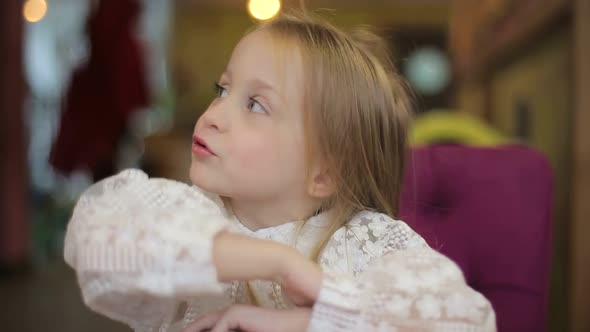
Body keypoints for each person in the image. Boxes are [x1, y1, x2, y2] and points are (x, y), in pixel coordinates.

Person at [64, 12, 496, 332]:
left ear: (323, 172)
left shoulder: (364, 243)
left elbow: (467, 320)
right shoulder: (188, 215)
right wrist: (278, 263)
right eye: (224, 90)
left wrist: (315, 312)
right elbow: (95, 244)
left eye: (255, 104)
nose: (213, 114)